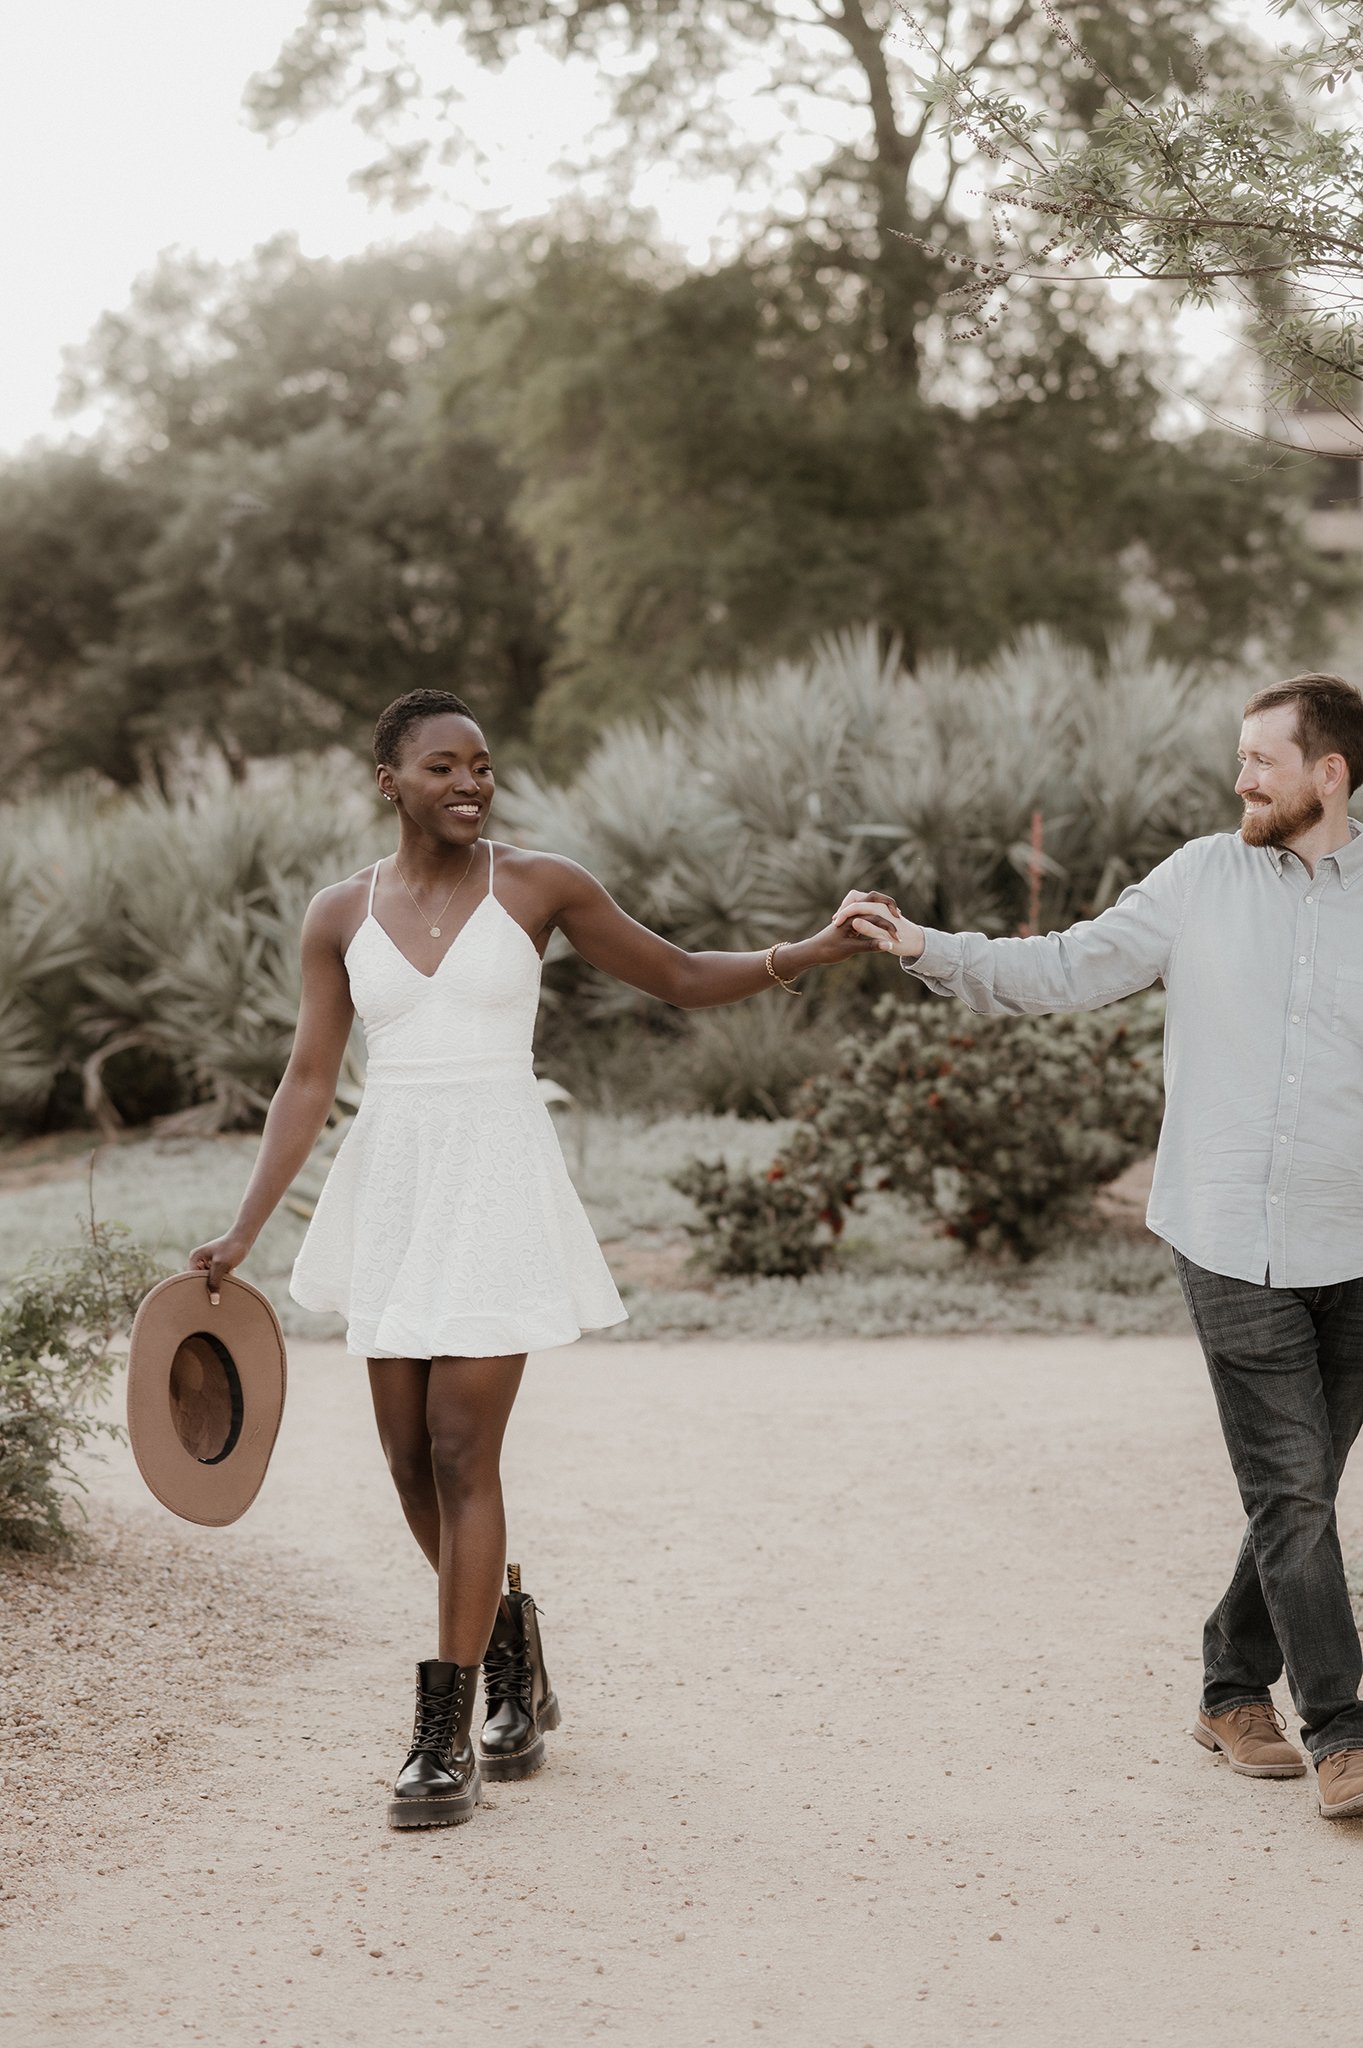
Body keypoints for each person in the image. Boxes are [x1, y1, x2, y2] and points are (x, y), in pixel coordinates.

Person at [190, 687, 885, 1831]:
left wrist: (807, 949)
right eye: (442, 767)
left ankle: (441, 1732)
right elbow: (307, 1079)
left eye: (482, 766)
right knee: (408, 1462)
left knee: (464, 1448)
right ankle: (514, 1639)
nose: (469, 783)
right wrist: (246, 1224)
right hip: (397, 1188)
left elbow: (672, 973)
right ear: (390, 782)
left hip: (496, 1182)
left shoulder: (539, 884)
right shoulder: (335, 912)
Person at [834, 672, 1363, 1822]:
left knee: (1303, 1490)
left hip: (1354, 1238)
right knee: (1291, 1488)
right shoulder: (1199, 880)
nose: (1240, 779)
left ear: (1327, 773)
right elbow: (1064, 965)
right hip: (1225, 1231)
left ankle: (1230, 1684)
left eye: (1261, 761)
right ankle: (1342, 1731)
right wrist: (924, 944)